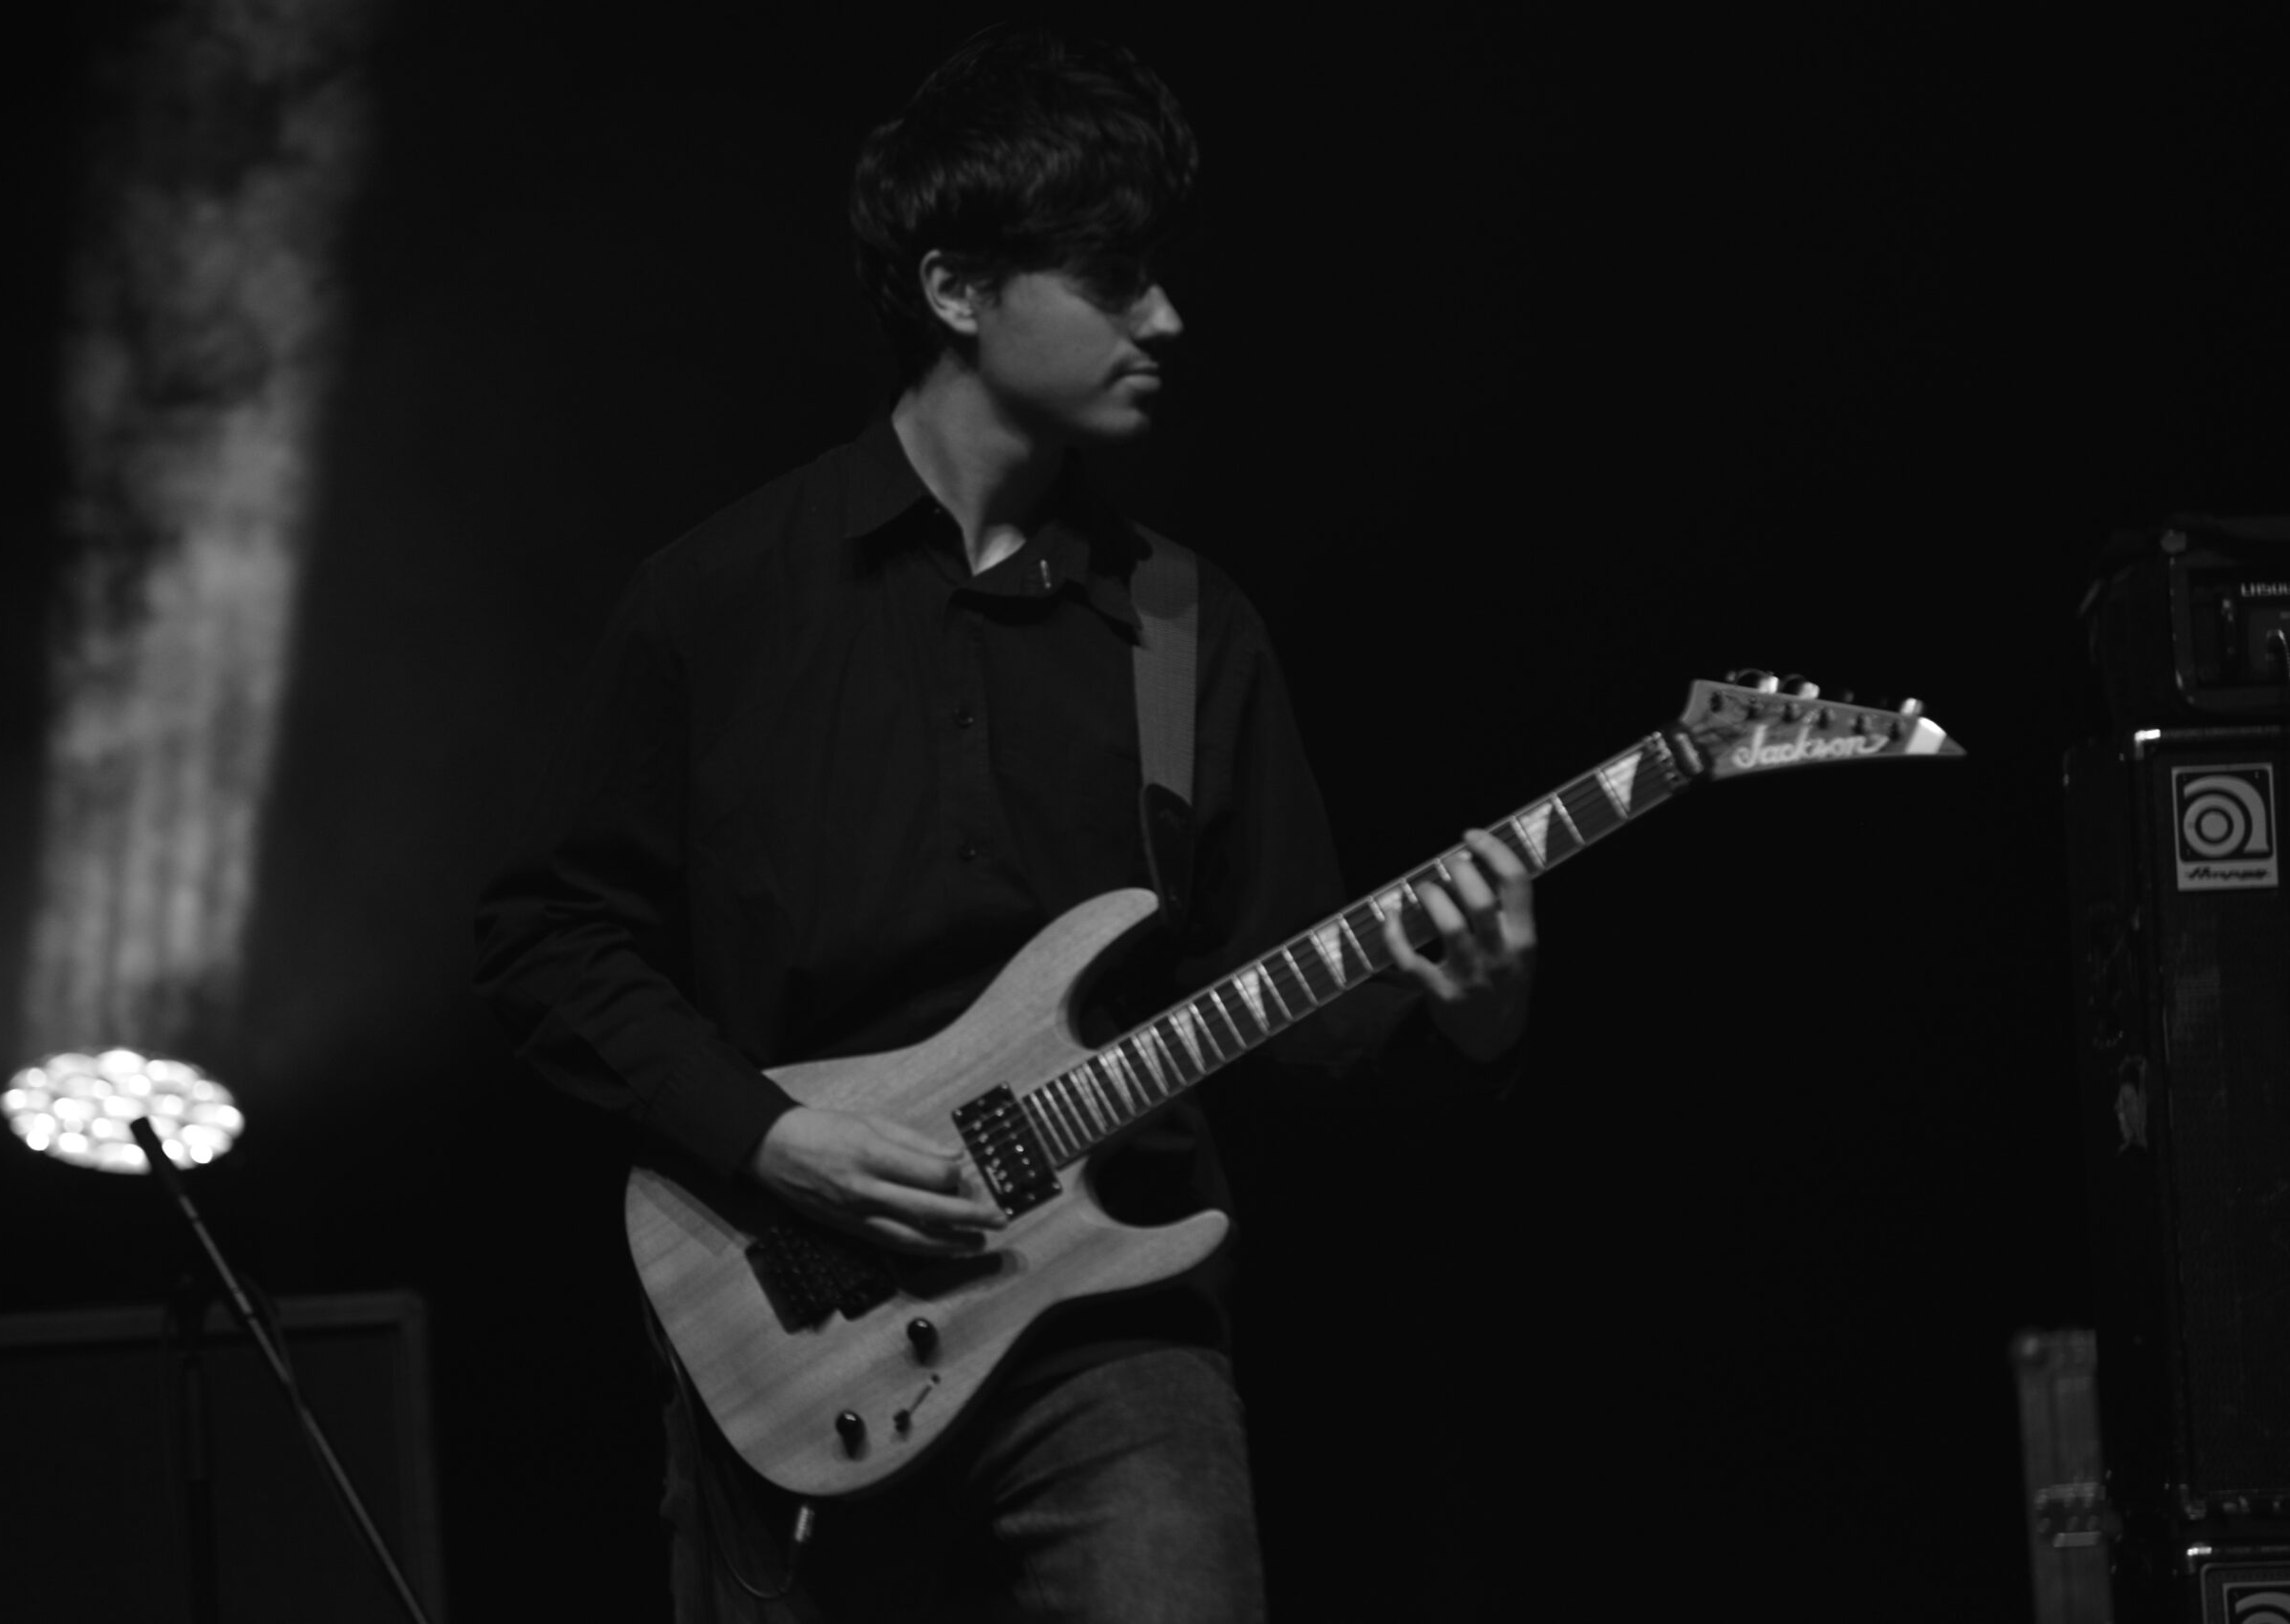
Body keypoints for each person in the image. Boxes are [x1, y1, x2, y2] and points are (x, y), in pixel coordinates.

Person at [472, 27, 1536, 1623]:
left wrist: (1469, 1015)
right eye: (1113, 277)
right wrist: (770, 1135)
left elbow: (1284, 1012)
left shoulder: (1189, 630)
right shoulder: (718, 603)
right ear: (958, 289)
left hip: (1108, 1333)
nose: (1165, 318)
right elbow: (547, 939)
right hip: (797, 1328)